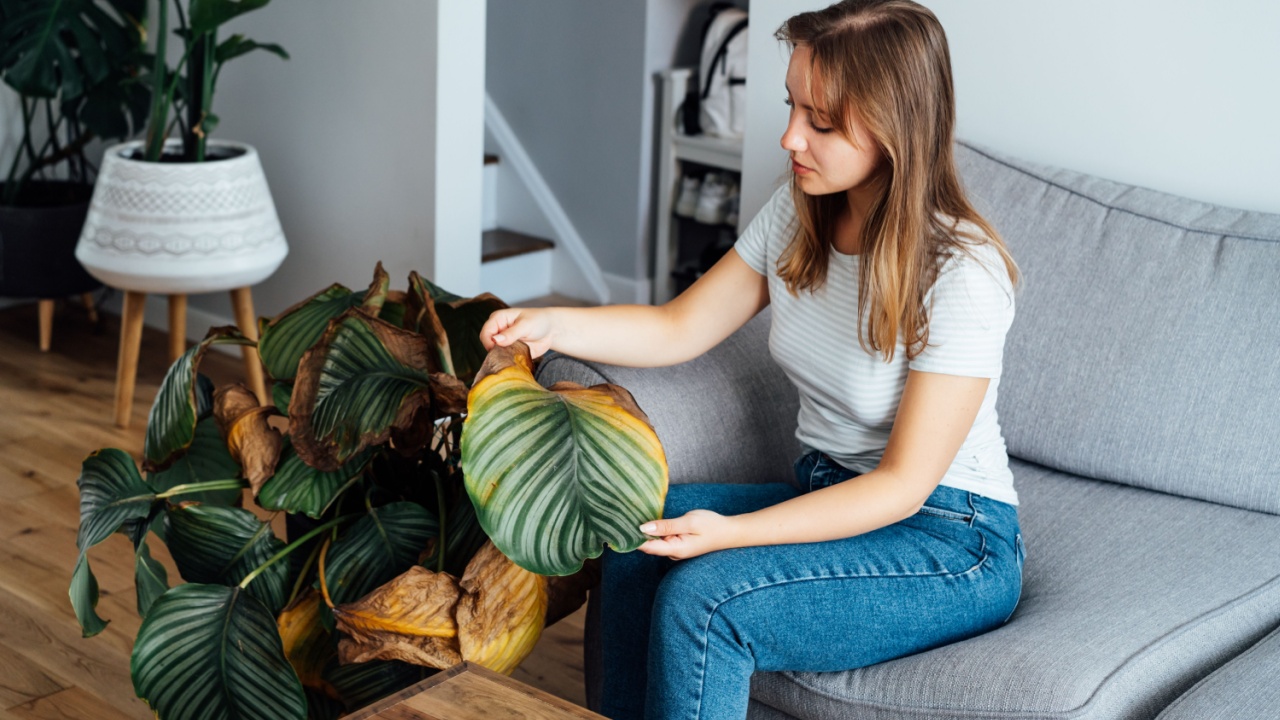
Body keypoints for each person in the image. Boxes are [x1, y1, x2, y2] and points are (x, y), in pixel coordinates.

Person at [479, 1, 1024, 718]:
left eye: (821, 121)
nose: (790, 136)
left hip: (952, 540)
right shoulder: (801, 211)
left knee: (708, 601)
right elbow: (679, 327)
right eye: (792, 105)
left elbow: (900, 487)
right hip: (832, 493)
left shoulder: (961, 273)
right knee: (641, 532)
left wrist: (732, 534)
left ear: (895, 127)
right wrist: (552, 323)